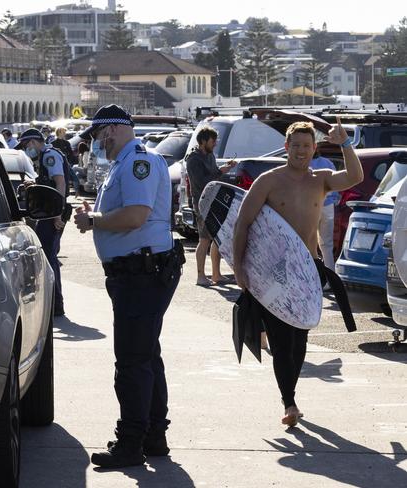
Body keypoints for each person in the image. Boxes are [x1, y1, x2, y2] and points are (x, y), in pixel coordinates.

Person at [74, 104, 185, 469]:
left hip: (142, 273)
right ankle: (153, 436)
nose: (95, 143)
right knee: (146, 356)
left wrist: (94, 220)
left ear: (111, 130)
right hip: (137, 273)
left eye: (97, 135)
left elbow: (136, 216)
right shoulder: (124, 164)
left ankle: (131, 443)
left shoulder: (137, 160)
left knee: (133, 362)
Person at [232, 118, 363, 427]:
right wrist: (239, 267)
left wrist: (345, 143)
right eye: (296, 146)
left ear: (314, 148)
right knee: (280, 340)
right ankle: (289, 402)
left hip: (308, 270)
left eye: (307, 146)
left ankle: (290, 396)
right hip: (275, 273)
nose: (301, 151)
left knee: (299, 338)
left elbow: (356, 176)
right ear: (286, 147)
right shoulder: (269, 181)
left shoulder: (321, 179)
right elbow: (242, 223)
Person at [18, 128, 68, 316]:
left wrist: (58, 214)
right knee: (47, 256)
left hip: (52, 213)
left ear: (33, 142)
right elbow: (49, 184)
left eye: (25, 145)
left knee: (48, 258)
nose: (25, 149)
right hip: (48, 212)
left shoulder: (49, 156)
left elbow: (60, 183)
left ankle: (56, 304)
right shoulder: (45, 157)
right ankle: (53, 302)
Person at [185, 126, 236, 286]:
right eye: (213, 141)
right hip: (201, 202)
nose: (215, 144)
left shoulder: (210, 155)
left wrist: (224, 169)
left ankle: (216, 274)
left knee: (217, 238)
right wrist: (222, 170)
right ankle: (201, 276)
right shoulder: (193, 159)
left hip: (215, 200)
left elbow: (214, 174)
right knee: (204, 239)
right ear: (203, 141)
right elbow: (202, 181)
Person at [309, 150, 339, 273]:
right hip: (328, 206)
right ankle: (330, 277)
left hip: (311, 206)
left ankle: (312, 275)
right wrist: (334, 199)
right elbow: (336, 185)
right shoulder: (328, 163)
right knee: (327, 244)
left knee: (308, 243)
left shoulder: (305, 164)